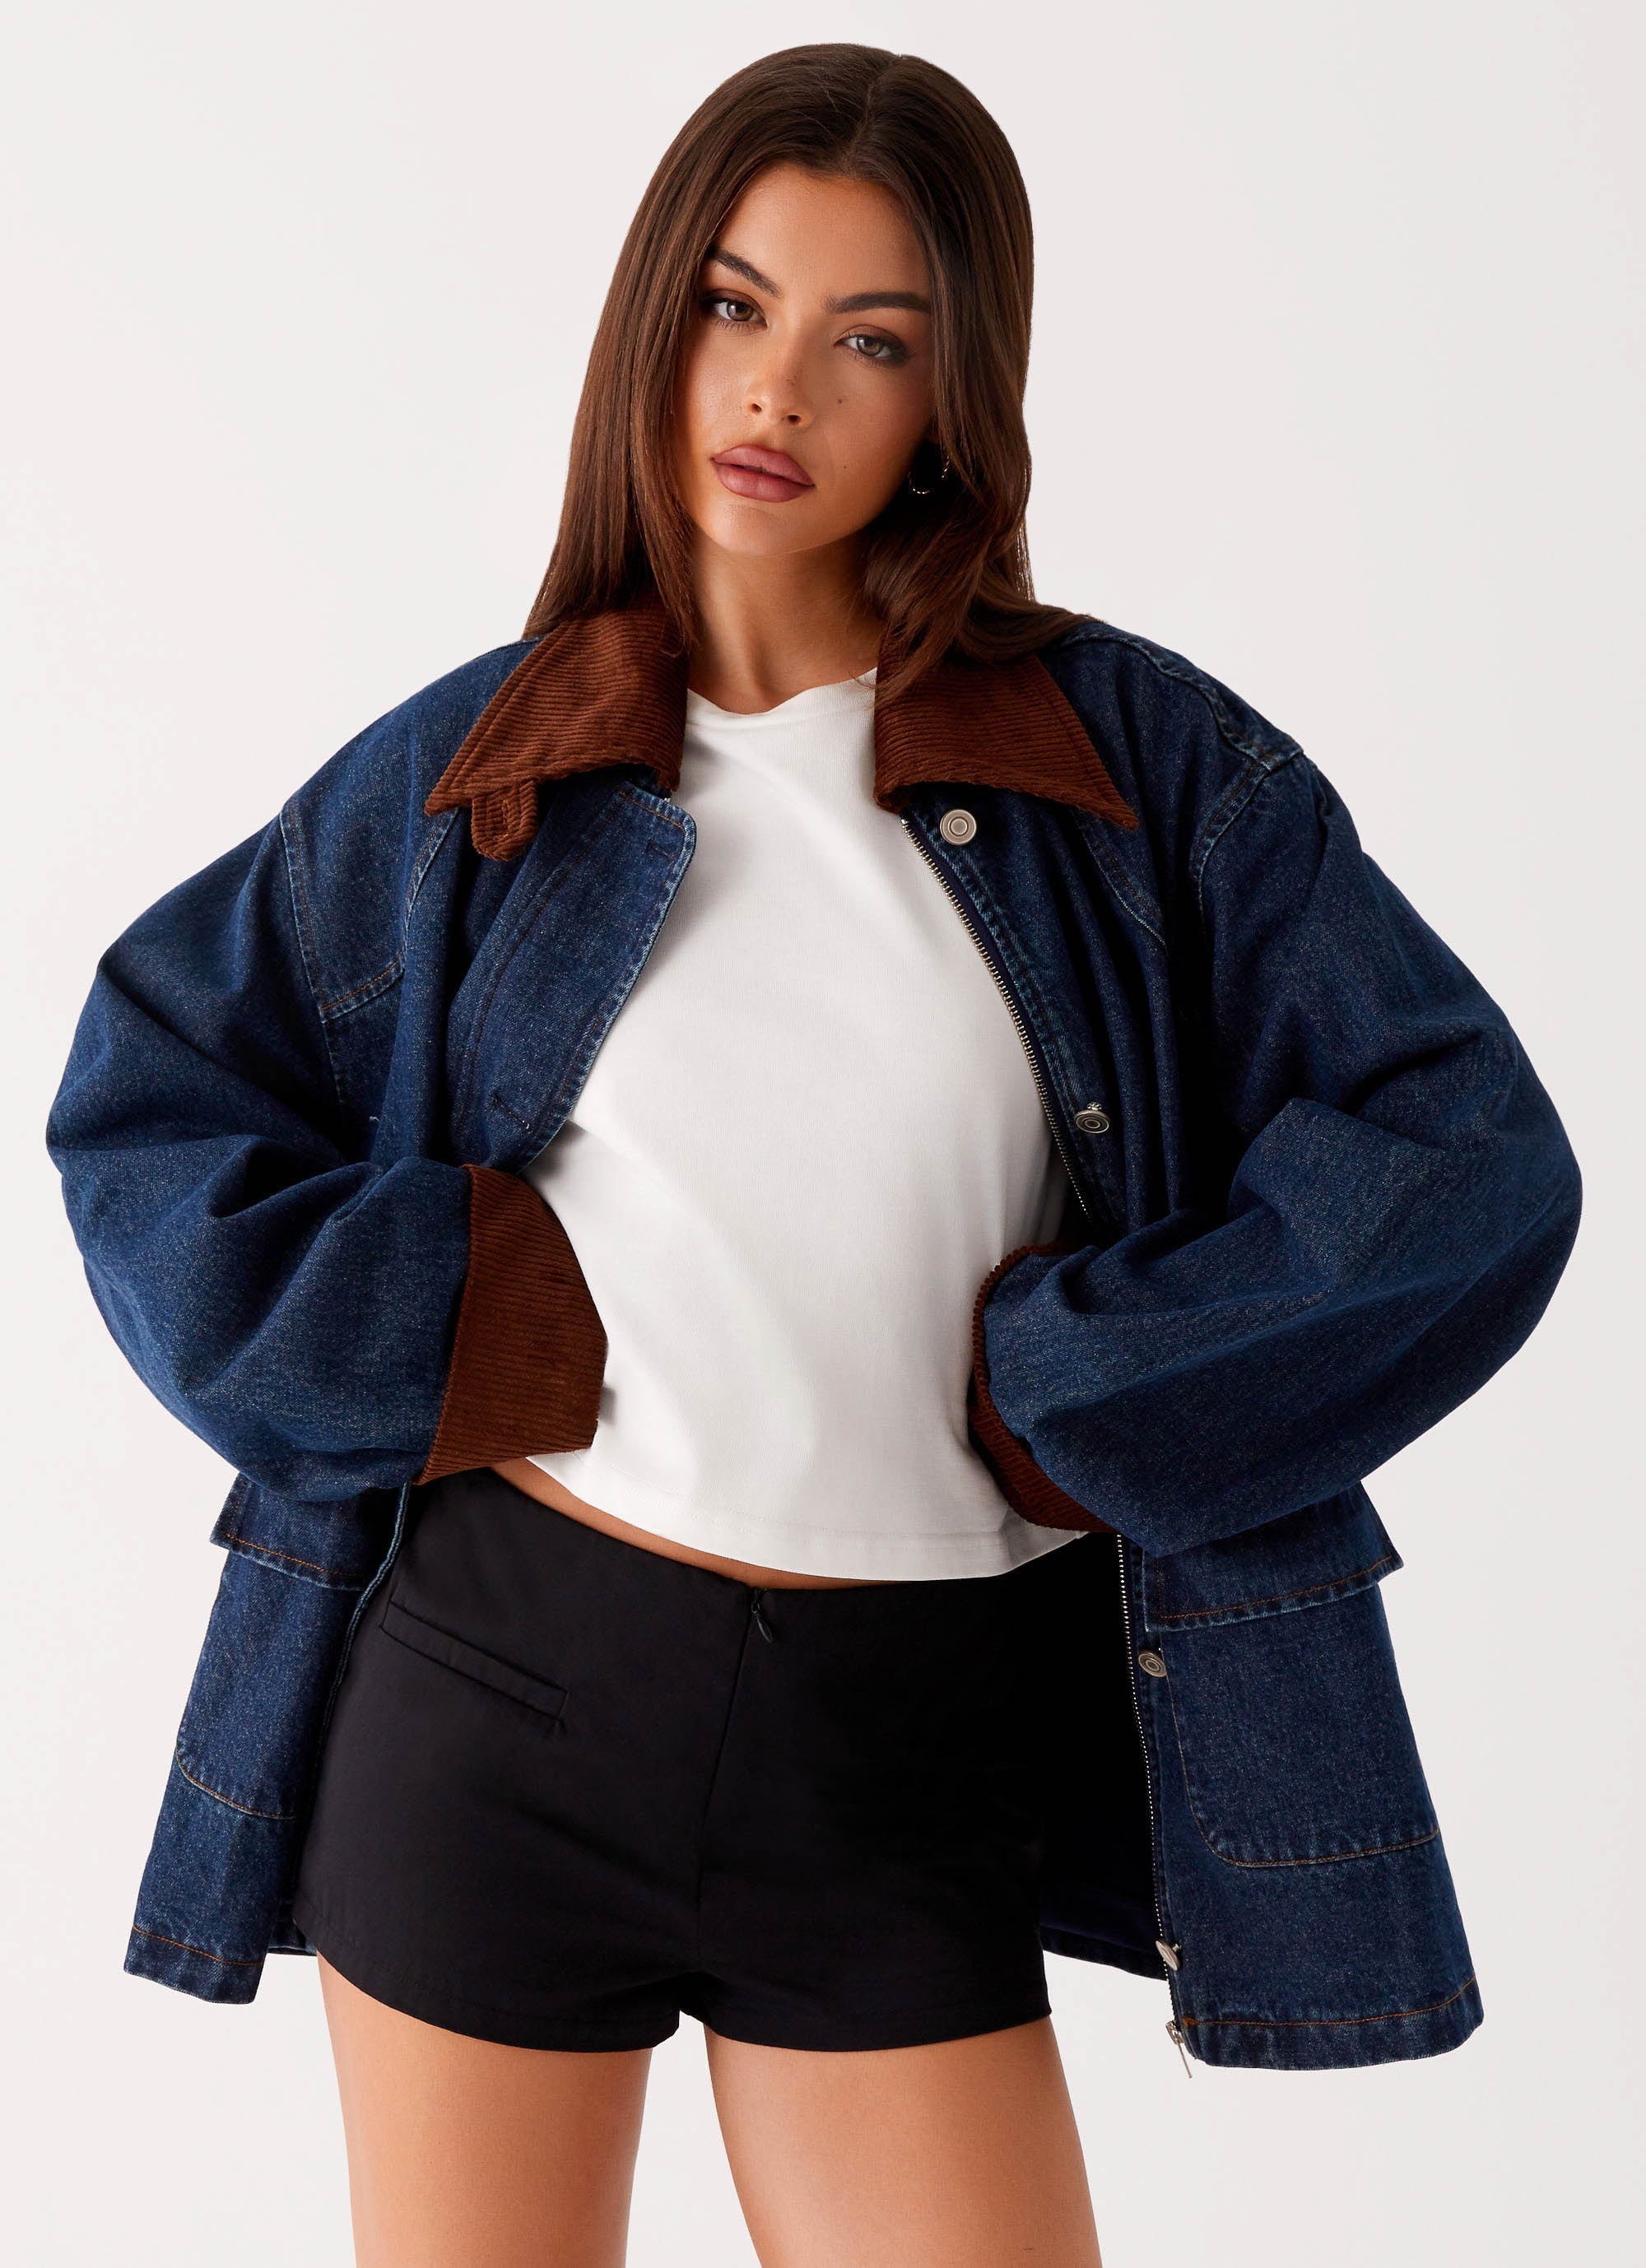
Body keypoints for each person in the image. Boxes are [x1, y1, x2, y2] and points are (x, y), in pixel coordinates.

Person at [44, 42, 1582, 2268]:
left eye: (873, 340)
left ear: (954, 403)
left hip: (900, 1771)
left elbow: (1470, 1153)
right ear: (655, 319)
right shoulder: (482, 771)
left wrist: (1102, 1375)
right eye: (734, 306)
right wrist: (450, 1316)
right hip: (497, 1708)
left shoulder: (1127, 766)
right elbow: (149, 1096)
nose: (778, 390)